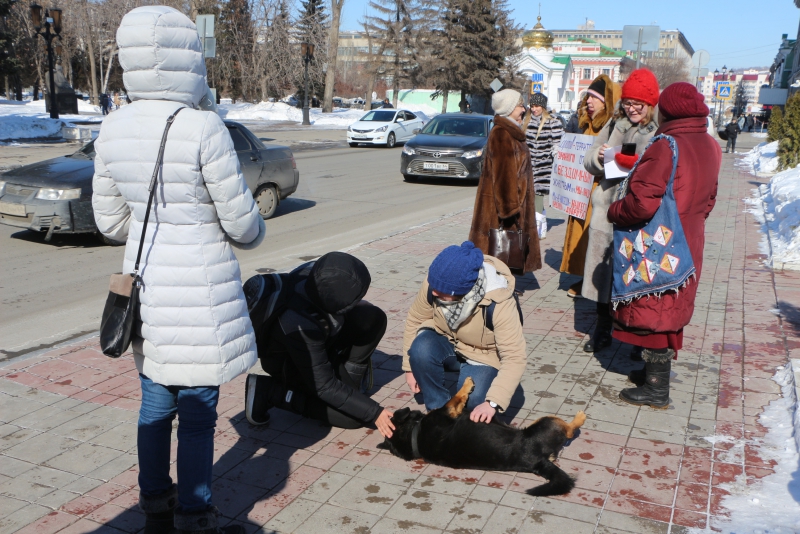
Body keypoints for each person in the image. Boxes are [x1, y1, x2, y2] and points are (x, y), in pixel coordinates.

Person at [92, 7, 265, 534]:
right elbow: (243, 226)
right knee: (196, 417)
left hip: (147, 290)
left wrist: (155, 217)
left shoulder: (113, 126)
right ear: (189, 57)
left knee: (153, 406)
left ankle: (154, 507)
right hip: (201, 293)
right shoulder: (204, 126)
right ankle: (195, 515)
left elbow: (109, 222)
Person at [609, 82, 721, 408]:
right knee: (671, 305)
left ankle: (657, 389)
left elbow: (642, 204)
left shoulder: (665, 145)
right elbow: (711, 199)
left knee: (656, 308)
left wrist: (616, 211)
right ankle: (652, 376)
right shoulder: (712, 146)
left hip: (661, 241)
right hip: (691, 237)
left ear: (667, 110)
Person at [243, 252, 396, 437]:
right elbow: (324, 386)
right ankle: (269, 391)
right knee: (354, 417)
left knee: (372, 317)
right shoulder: (299, 323)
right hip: (288, 362)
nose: (361, 298)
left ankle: (352, 385)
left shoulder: (315, 274)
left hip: (319, 342)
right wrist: (374, 412)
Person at [403, 242, 527, 422]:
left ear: (462, 291)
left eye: (442, 291)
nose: (434, 292)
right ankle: (438, 414)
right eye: (433, 286)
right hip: (446, 339)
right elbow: (415, 319)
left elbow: (515, 357)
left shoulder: (499, 303)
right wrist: (409, 368)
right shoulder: (436, 283)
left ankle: (466, 425)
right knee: (420, 350)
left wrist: (492, 403)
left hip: (483, 354)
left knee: (475, 402)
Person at [581, 68, 659, 353]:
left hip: (639, 213)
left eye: (638, 104)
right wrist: (599, 157)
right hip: (608, 207)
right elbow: (588, 158)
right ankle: (602, 331)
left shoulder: (659, 128)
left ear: (650, 103)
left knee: (636, 275)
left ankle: (638, 338)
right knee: (604, 278)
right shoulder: (616, 122)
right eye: (628, 103)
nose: (631, 108)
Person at [469, 88, 542, 274]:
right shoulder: (502, 134)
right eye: (520, 106)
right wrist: (511, 213)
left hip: (511, 211)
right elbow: (504, 179)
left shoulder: (511, 133)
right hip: (501, 214)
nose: (524, 109)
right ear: (509, 108)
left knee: (501, 265)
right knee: (498, 260)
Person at [559, 75, 620, 298]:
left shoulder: (612, 128)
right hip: (580, 194)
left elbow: (615, 166)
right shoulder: (587, 126)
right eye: (588, 98)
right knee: (579, 237)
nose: (589, 103)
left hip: (597, 194)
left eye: (594, 98)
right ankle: (581, 274)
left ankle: (591, 279)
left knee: (591, 238)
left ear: (607, 102)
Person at [524, 91, 564, 223]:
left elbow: (558, 144)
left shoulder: (553, 122)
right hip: (526, 167)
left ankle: (538, 227)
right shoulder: (526, 121)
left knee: (538, 195)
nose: (534, 109)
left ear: (543, 106)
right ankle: (535, 223)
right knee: (527, 197)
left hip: (543, 167)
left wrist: (557, 157)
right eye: (532, 106)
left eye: (537, 106)